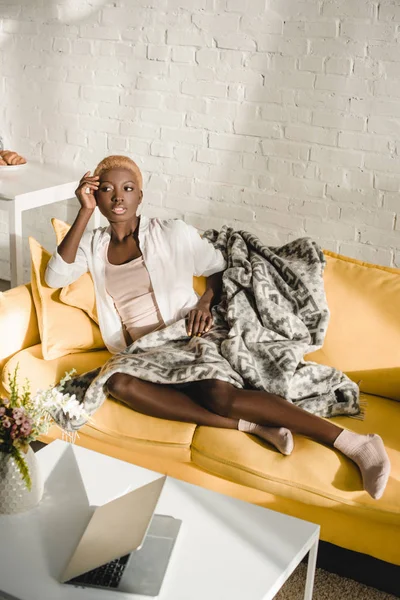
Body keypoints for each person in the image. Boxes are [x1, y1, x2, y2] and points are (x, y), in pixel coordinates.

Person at [45, 155, 390, 500]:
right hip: (145, 350)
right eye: (107, 190)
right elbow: (55, 276)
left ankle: (354, 443)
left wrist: (204, 302)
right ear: (96, 195)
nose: (118, 197)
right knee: (118, 382)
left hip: (189, 334)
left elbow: (218, 267)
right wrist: (84, 212)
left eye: (128, 188)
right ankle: (255, 426)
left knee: (218, 394)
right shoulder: (94, 245)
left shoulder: (171, 232)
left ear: (140, 196)